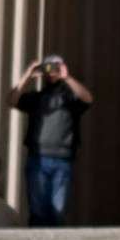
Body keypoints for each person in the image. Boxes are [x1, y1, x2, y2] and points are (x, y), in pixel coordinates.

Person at [13, 55, 93, 227]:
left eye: (55, 67)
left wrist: (67, 78)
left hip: (62, 160)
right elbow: (12, 100)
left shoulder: (70, 97)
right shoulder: (37, 98)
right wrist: (27, 75)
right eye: (47, 68)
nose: (51, 72)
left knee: (57, 212)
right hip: (38, 159)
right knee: (37, 211)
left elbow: (87, 98)